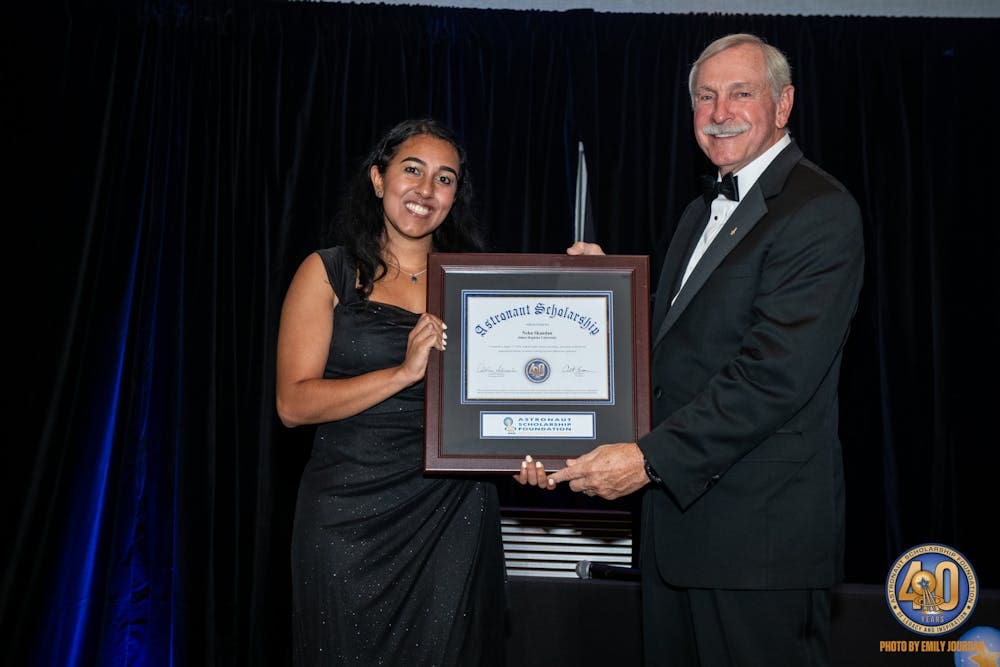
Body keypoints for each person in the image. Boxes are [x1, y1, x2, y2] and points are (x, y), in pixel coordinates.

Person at [539, 33, 865, 666]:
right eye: (705, 96)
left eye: (741, 93)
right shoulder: (698, 211)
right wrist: (609, 296)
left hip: (757, 545)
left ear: (783, 104)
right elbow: (681, 354)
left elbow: (772, 377)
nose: (720, 112)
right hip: (679, 536)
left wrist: (649, 460)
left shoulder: (820, 210)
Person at [276, 118, 547, 666]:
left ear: (455, 197)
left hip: (451, 515)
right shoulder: (327, 272)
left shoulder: (478, 285)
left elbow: (519, 390)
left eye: (444, 179)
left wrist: (533, 450)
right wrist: (401, 373)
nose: (426, 190)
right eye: (413, 170)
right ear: (378, 179)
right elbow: (293, 405)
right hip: (346, 520)